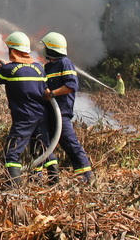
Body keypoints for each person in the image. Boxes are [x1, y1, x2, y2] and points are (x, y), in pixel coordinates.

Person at [0, 31, 48, 185]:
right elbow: (24, 75)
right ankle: (40, 179)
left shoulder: (9, 70)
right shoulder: (39, 68)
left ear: (12, 50)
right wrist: (5, 66)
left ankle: (14, 185)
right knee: (38, 146)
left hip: (24, 117)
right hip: (41, 115)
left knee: (12, 151)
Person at [39, 31, 94, 184]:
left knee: (69, 142)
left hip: (61, 112)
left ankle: (86, 174)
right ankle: (50, 175)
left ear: (51, 48)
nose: (43, 50)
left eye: (45, 47)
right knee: (44, 143)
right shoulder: (48, 67)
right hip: (49, 112)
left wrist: (53, 94)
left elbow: (71, 85)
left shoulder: (65, 63)